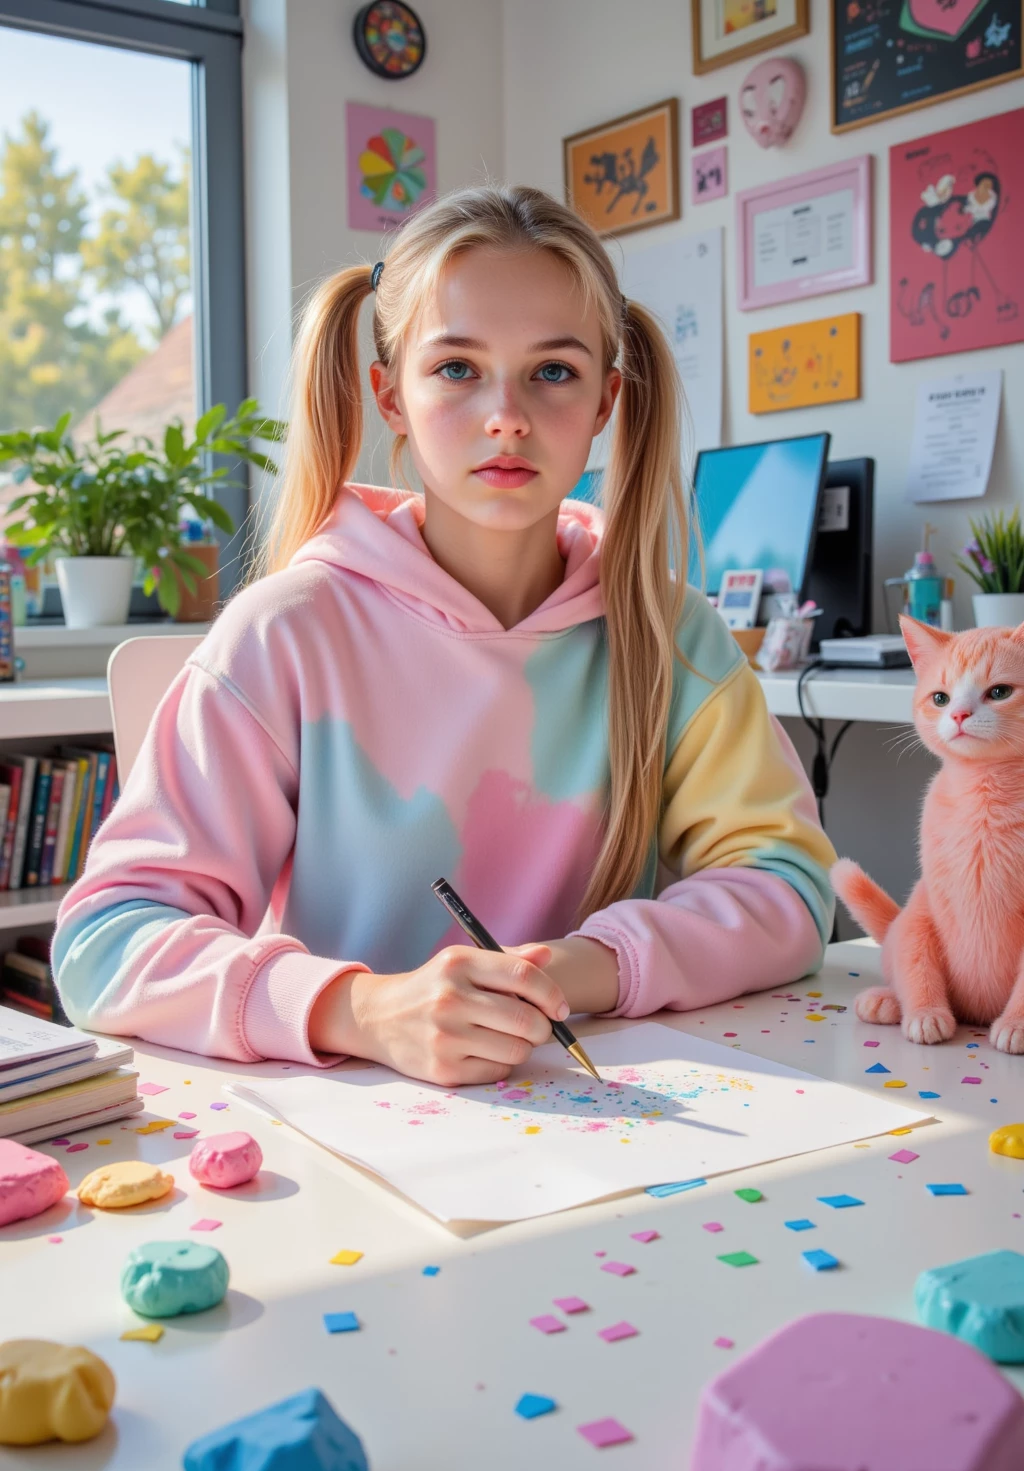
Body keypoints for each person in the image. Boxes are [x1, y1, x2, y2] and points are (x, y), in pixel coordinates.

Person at [52, 183, 836, 1087]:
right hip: (342, 1139)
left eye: (554, 371)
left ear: (606, 402)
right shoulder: (285, 635)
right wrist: (358, 1009)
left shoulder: (670, 634)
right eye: (457, 368)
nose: (507, 415)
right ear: (390, 396)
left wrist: (583, 967)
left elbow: (788, 886)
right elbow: (105, 940)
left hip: (605, 1124)